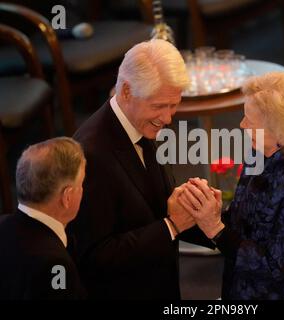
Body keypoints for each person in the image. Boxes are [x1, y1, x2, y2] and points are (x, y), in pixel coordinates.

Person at [69, 39, 211, 299]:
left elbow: (151, 205)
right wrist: (172, 225)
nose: (168, 118)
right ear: (125, 91)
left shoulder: (140, 122)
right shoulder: (90, 155)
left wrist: (200, 212)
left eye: (173, 105)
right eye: (158, 106)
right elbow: (95, 256)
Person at [178, 72, 284, 300]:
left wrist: (215, 229)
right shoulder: (262, 152)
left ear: (280, 131)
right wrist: (197, 215)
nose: (242, 126)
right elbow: (243, 226)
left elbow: (275, 266)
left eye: (250, 122)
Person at [0, 137, 86, 299]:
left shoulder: (3, 225)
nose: (82, 191)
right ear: (67, 197)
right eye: (81, 184)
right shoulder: (56, 266)